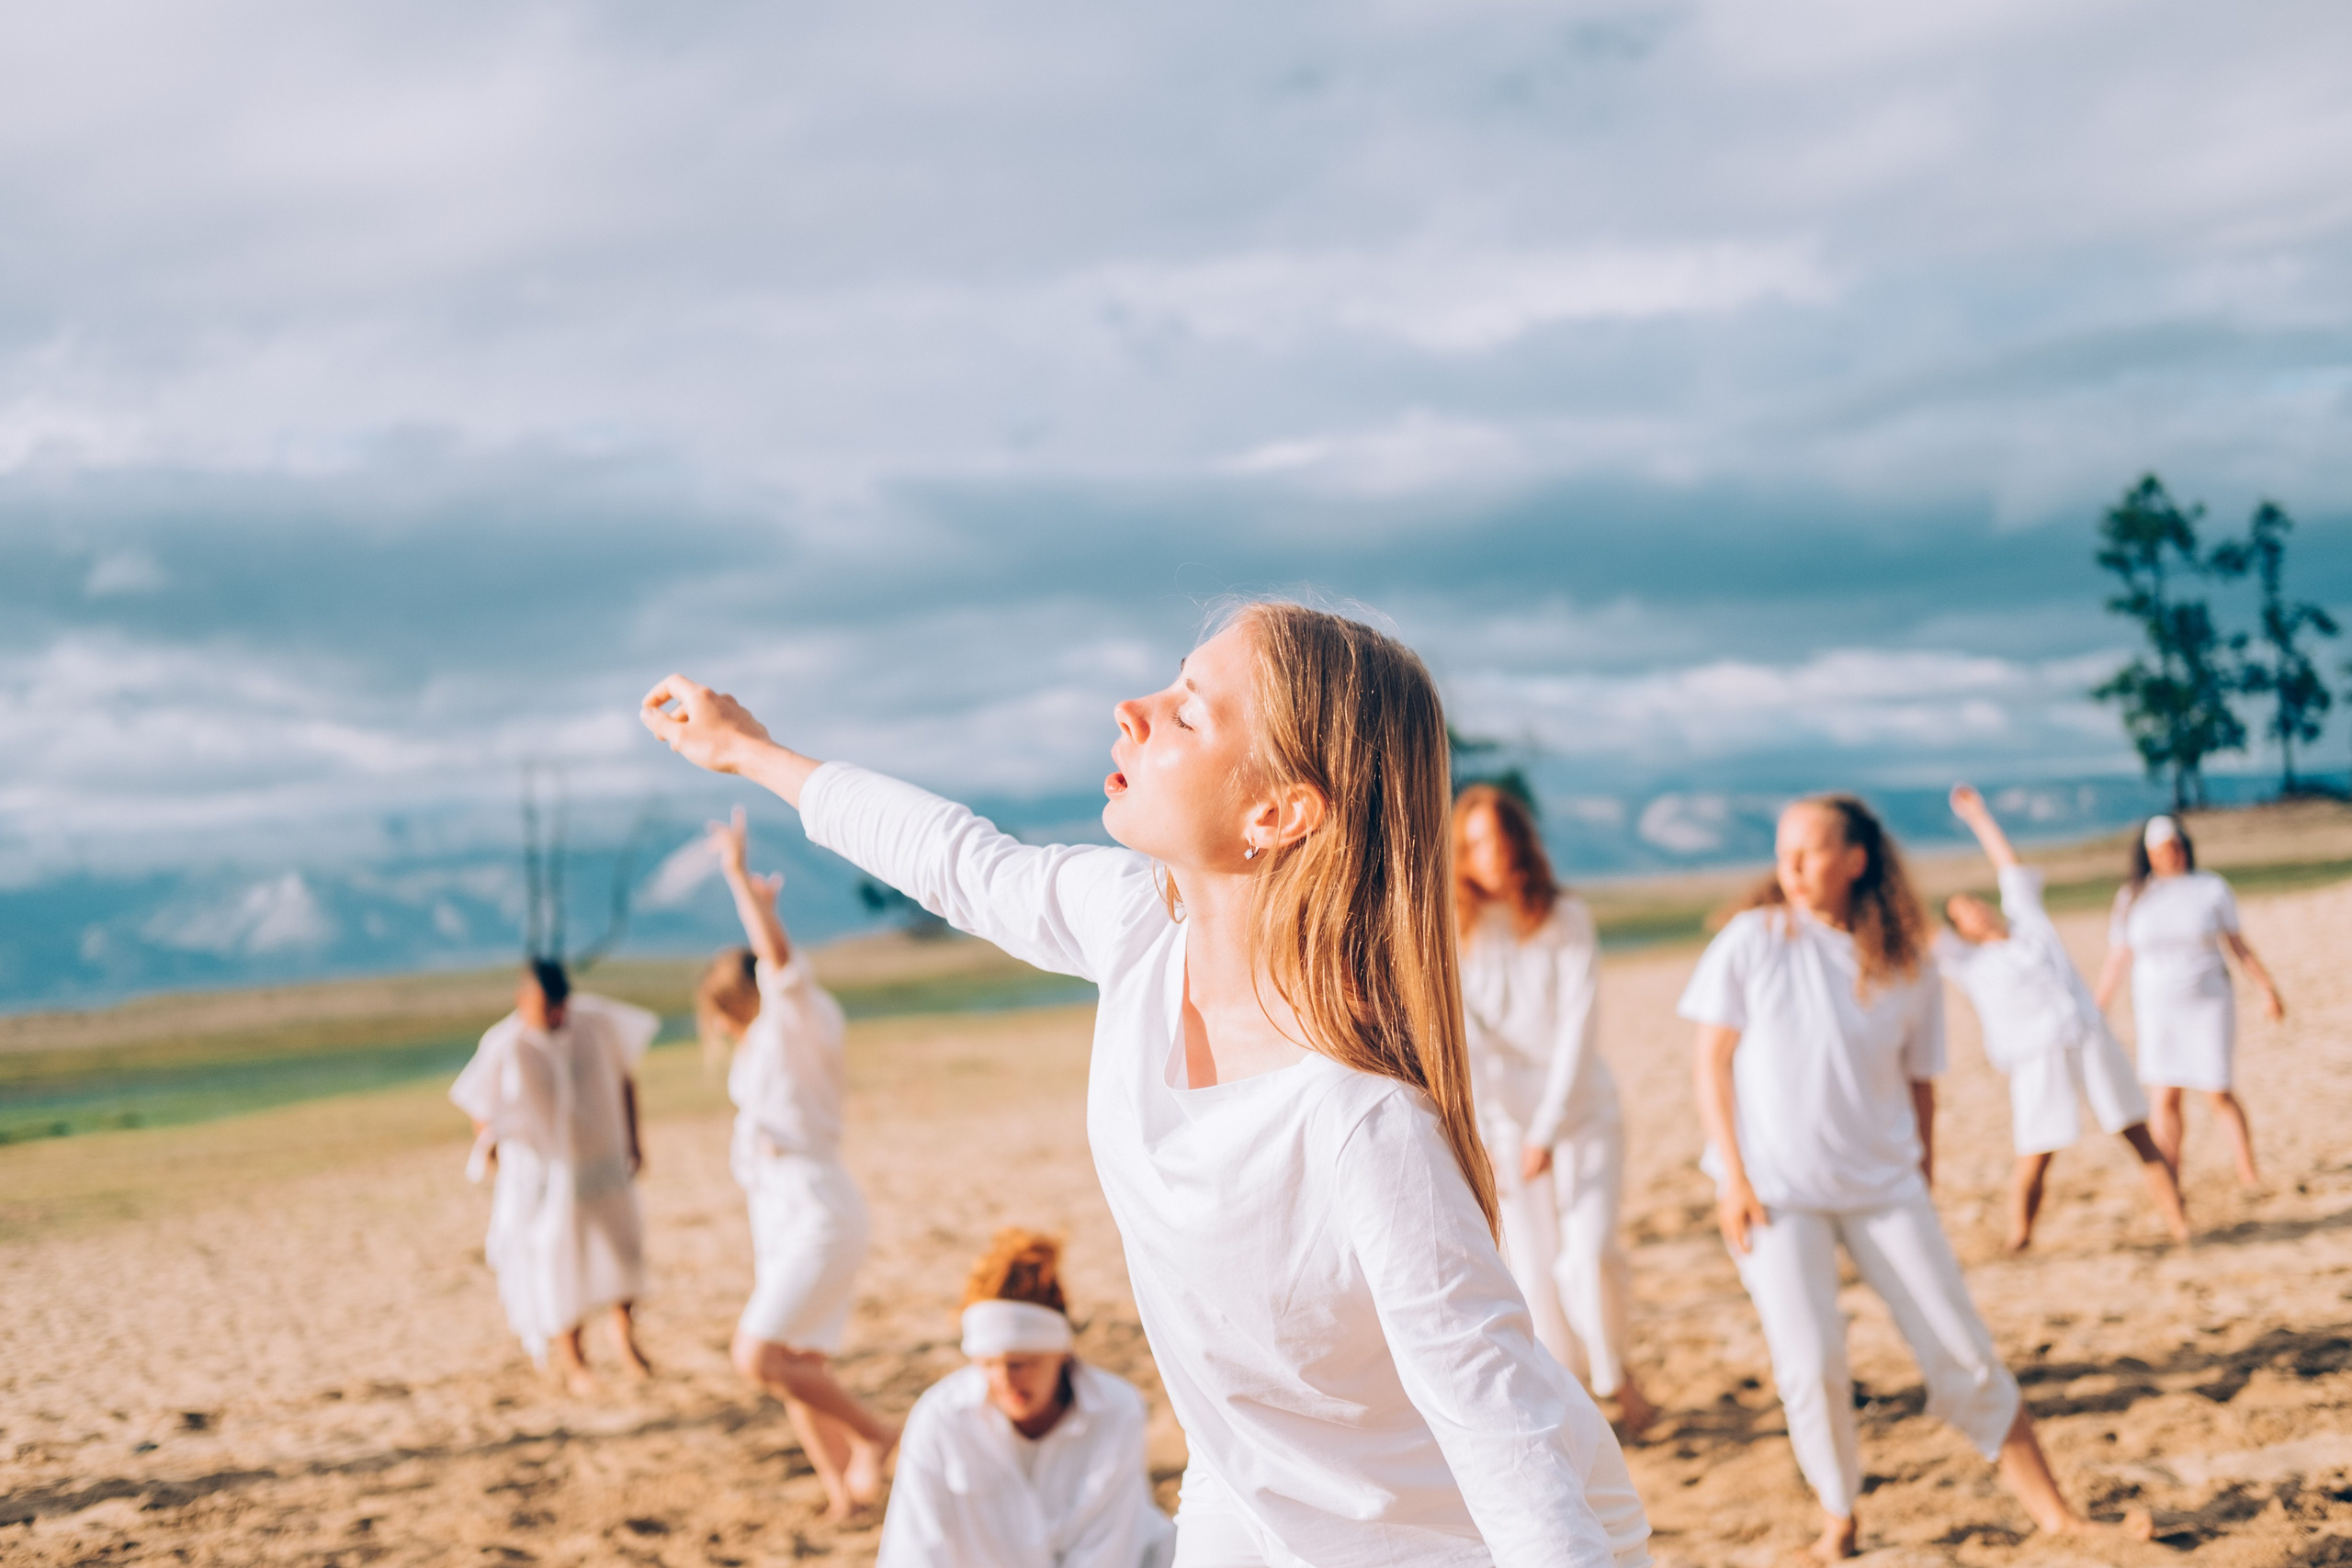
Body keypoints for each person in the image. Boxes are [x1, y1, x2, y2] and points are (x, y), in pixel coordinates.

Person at [642, 600, 1651, 1567]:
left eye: (1187, 708)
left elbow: (1500, 1426)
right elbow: (955, 859)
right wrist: (749, 752)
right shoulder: (1133, 929)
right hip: (1245, 1495)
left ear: (1278, 809)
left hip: (1447, 1542)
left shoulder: (1362, 1122)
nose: (1133, 710)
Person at [1680, 795, 2143, 1561]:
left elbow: (1922, 1085)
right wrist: (1733, 1177)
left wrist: (1923, 1180)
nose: (1791, 867)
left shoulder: (1905, 959)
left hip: (1885, 1187)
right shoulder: (1753, 939)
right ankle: (1840, 1516)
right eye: (1784, 851)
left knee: (1961, 1346)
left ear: (1855, 859)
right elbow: (1710, 1063)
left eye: (1810, 850)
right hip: (1772, 1190)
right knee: (1811, 1360)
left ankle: (2056, 1513)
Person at [695, 807, 898, 1519]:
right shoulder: (763, 1043)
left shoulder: (800, 1016)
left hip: (815, 1204)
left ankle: (877, 1436)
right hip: (779, 1210)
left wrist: (740, 885)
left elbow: (779, 967)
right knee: (797, 1368)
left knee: (756, 1355)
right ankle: (845, 1491)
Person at [1453, 783, 1657, 1437]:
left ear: (1524, 840)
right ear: (1458, 850)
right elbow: (1465, 1046)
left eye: (1503, 835)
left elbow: (1579, 1030)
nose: (1493, 851)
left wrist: (1545, 1129)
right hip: (1503, 1128)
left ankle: (1614, 1371)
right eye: (1477, 840)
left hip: (1582, 1112)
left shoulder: (1566, 917)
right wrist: (1485, 1136)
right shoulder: (1453, 930)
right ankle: (1588, 1405)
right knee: (1535, 1273)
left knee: (1590, 1253)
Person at [1939, 785, 2190, 1250]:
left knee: (2136, 1130)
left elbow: (2008, 868)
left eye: (1976, 903)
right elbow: (1915, 927)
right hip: (2037, 1055)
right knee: (2036, 1153)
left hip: (2087, 1034)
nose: (1975, 912)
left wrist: (1978, 817)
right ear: (1961, 932)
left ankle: (2179, 1221)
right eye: (1963, 914)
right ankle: (2021, 1237)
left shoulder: (2030, 926)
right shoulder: (1967, 964)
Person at [876, 1229, 1176, 1568]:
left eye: (1021, 1364)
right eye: (989, 1364)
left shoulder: (1117, 1408)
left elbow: (1108, 1546)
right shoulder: (940, 1417)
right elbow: (914, 1547)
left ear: (1060, 1353)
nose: (1004, 1379)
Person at [450, 958, 658, 1392]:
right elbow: (481, 1107)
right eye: (547, 1007)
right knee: (557, 1259)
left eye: (561, 1005)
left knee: (623, 1248)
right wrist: (492, 1151)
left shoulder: (594, 1022)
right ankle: (576, 1359)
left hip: (602, 1160)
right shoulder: (505, 1044)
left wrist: (635, 1140)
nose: (556, 1016)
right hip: (546, 1176)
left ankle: (624, 1335)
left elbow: (624, 1078)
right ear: (522, 1000)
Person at [2094, 815, 2286, 1187]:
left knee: (2217, 1089)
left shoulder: (2210, 888)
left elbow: (2237, 944)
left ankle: (2247, 1169)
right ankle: (2172, 1171)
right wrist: (2099, 1006)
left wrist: (2267, 989)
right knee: (2165, 1094)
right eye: (2164, 851)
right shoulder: (2133, 896)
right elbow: (2118, 956)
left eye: (2177, 847)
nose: (2172, 856)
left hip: (2209, 1001)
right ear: (2149, 855)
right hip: (2157, 1007)